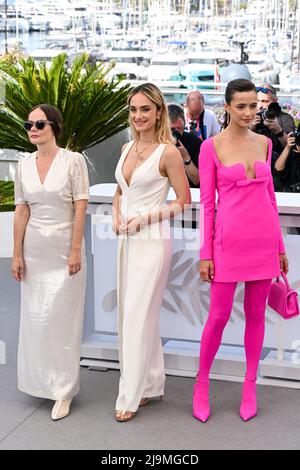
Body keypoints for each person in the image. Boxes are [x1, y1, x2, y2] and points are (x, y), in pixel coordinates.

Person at [194, 79, 289, 423]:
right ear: (228, 107)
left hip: (263, 241)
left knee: (256, 315)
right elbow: (207, 205)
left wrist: (279, 247)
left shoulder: (265, 144)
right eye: (242, 106)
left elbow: (270, 199)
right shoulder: (210, 147)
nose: (249, 112)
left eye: (254, 106)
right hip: (227, 243)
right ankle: (201, 383)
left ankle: (250, 385)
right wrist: (206, 253)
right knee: (218, 317)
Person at [113, 83, 191, 422]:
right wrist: (116, 216)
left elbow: (183, 201)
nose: (138, 115)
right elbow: (120, 191)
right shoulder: (127, 147)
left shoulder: (168, 152)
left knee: (136, 315)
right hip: (126, 240)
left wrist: (146, 216)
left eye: (145, 109)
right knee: (137, 315)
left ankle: (129, 394)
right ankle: (150, 383)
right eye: (133, 109)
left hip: (152, 239)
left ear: (158, 111)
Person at [12, 104, 89, 421]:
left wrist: (75, 250)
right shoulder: (22, 164)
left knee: (63, 321)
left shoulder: (74, 161)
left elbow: (80, 208)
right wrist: (16, 253)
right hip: (35, 252)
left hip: (63, 248)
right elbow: (22, 210)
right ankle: (40, 382)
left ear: (54, 126)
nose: (32, 128)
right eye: (28, 124)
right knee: (36, 319)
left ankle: (63, 390)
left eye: (39, 123)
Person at [253, 84, 295, 154]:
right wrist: (249, 129)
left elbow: (290, 148)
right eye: (257, 101)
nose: (260, 105)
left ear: (275, 101)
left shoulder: (284, 118)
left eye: (264, 101)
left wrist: (279, 131)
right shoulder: (249, 116)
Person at [168, 103, 201, 188]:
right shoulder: (154, 142)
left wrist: (185, 157)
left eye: (178, 129)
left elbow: (197, 180)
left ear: (184, 124)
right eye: (170, 129)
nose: (174, 133)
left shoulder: (194, 142)